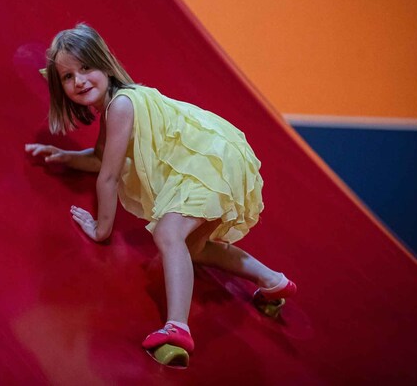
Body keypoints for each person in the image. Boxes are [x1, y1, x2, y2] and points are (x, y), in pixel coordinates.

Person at [25, 23, 296, 357]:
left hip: (210, 161)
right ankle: (272, 281)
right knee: (193, 248)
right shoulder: (115, 107)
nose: (79, 80)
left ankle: (177, 327)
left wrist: (101, 229)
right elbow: (100, 159)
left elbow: (108, 177)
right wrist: (66, 156)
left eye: (86, 68)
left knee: (168, 235)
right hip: (216, 157)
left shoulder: (121, 106)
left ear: (106, 66)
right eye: (68, 77)